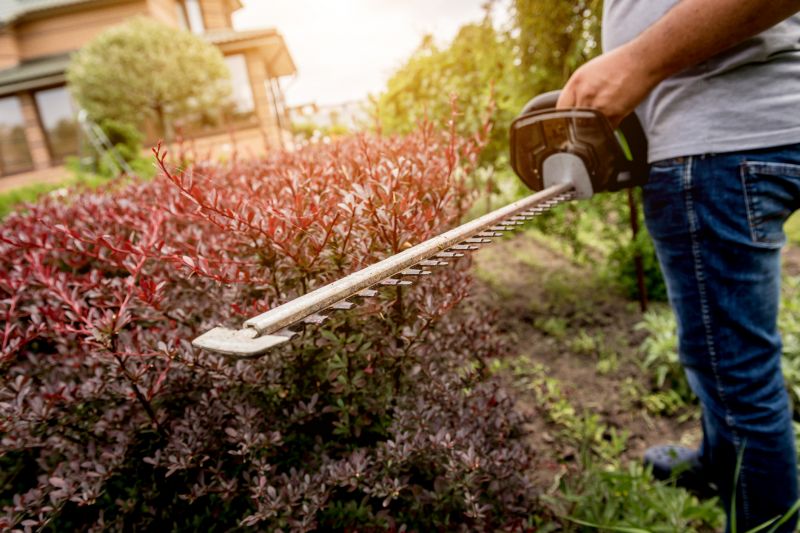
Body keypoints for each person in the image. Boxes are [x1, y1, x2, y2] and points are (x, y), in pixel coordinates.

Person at [557, 1, 800, 530]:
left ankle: (765, 520)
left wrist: (635, 62)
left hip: (720, 142)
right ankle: (719, 463)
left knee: (735, 372)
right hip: (736, 134)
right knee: (720, 352)